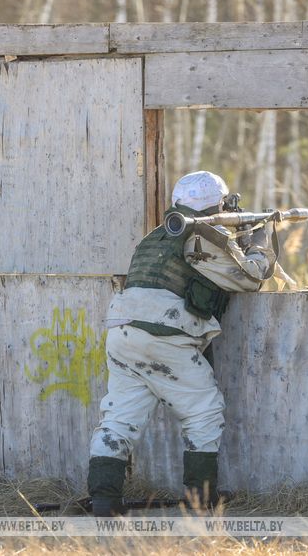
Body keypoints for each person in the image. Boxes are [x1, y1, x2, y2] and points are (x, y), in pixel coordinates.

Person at [87, 171, 276, 516]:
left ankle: (103, 501)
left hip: (123, 332)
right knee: (204, 413)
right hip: (165, 336)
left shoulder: (156, 237)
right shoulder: (203, 236)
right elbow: (251, 278)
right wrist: (258, 241)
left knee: (118, 420)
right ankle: (200, 502)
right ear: (219, 205)